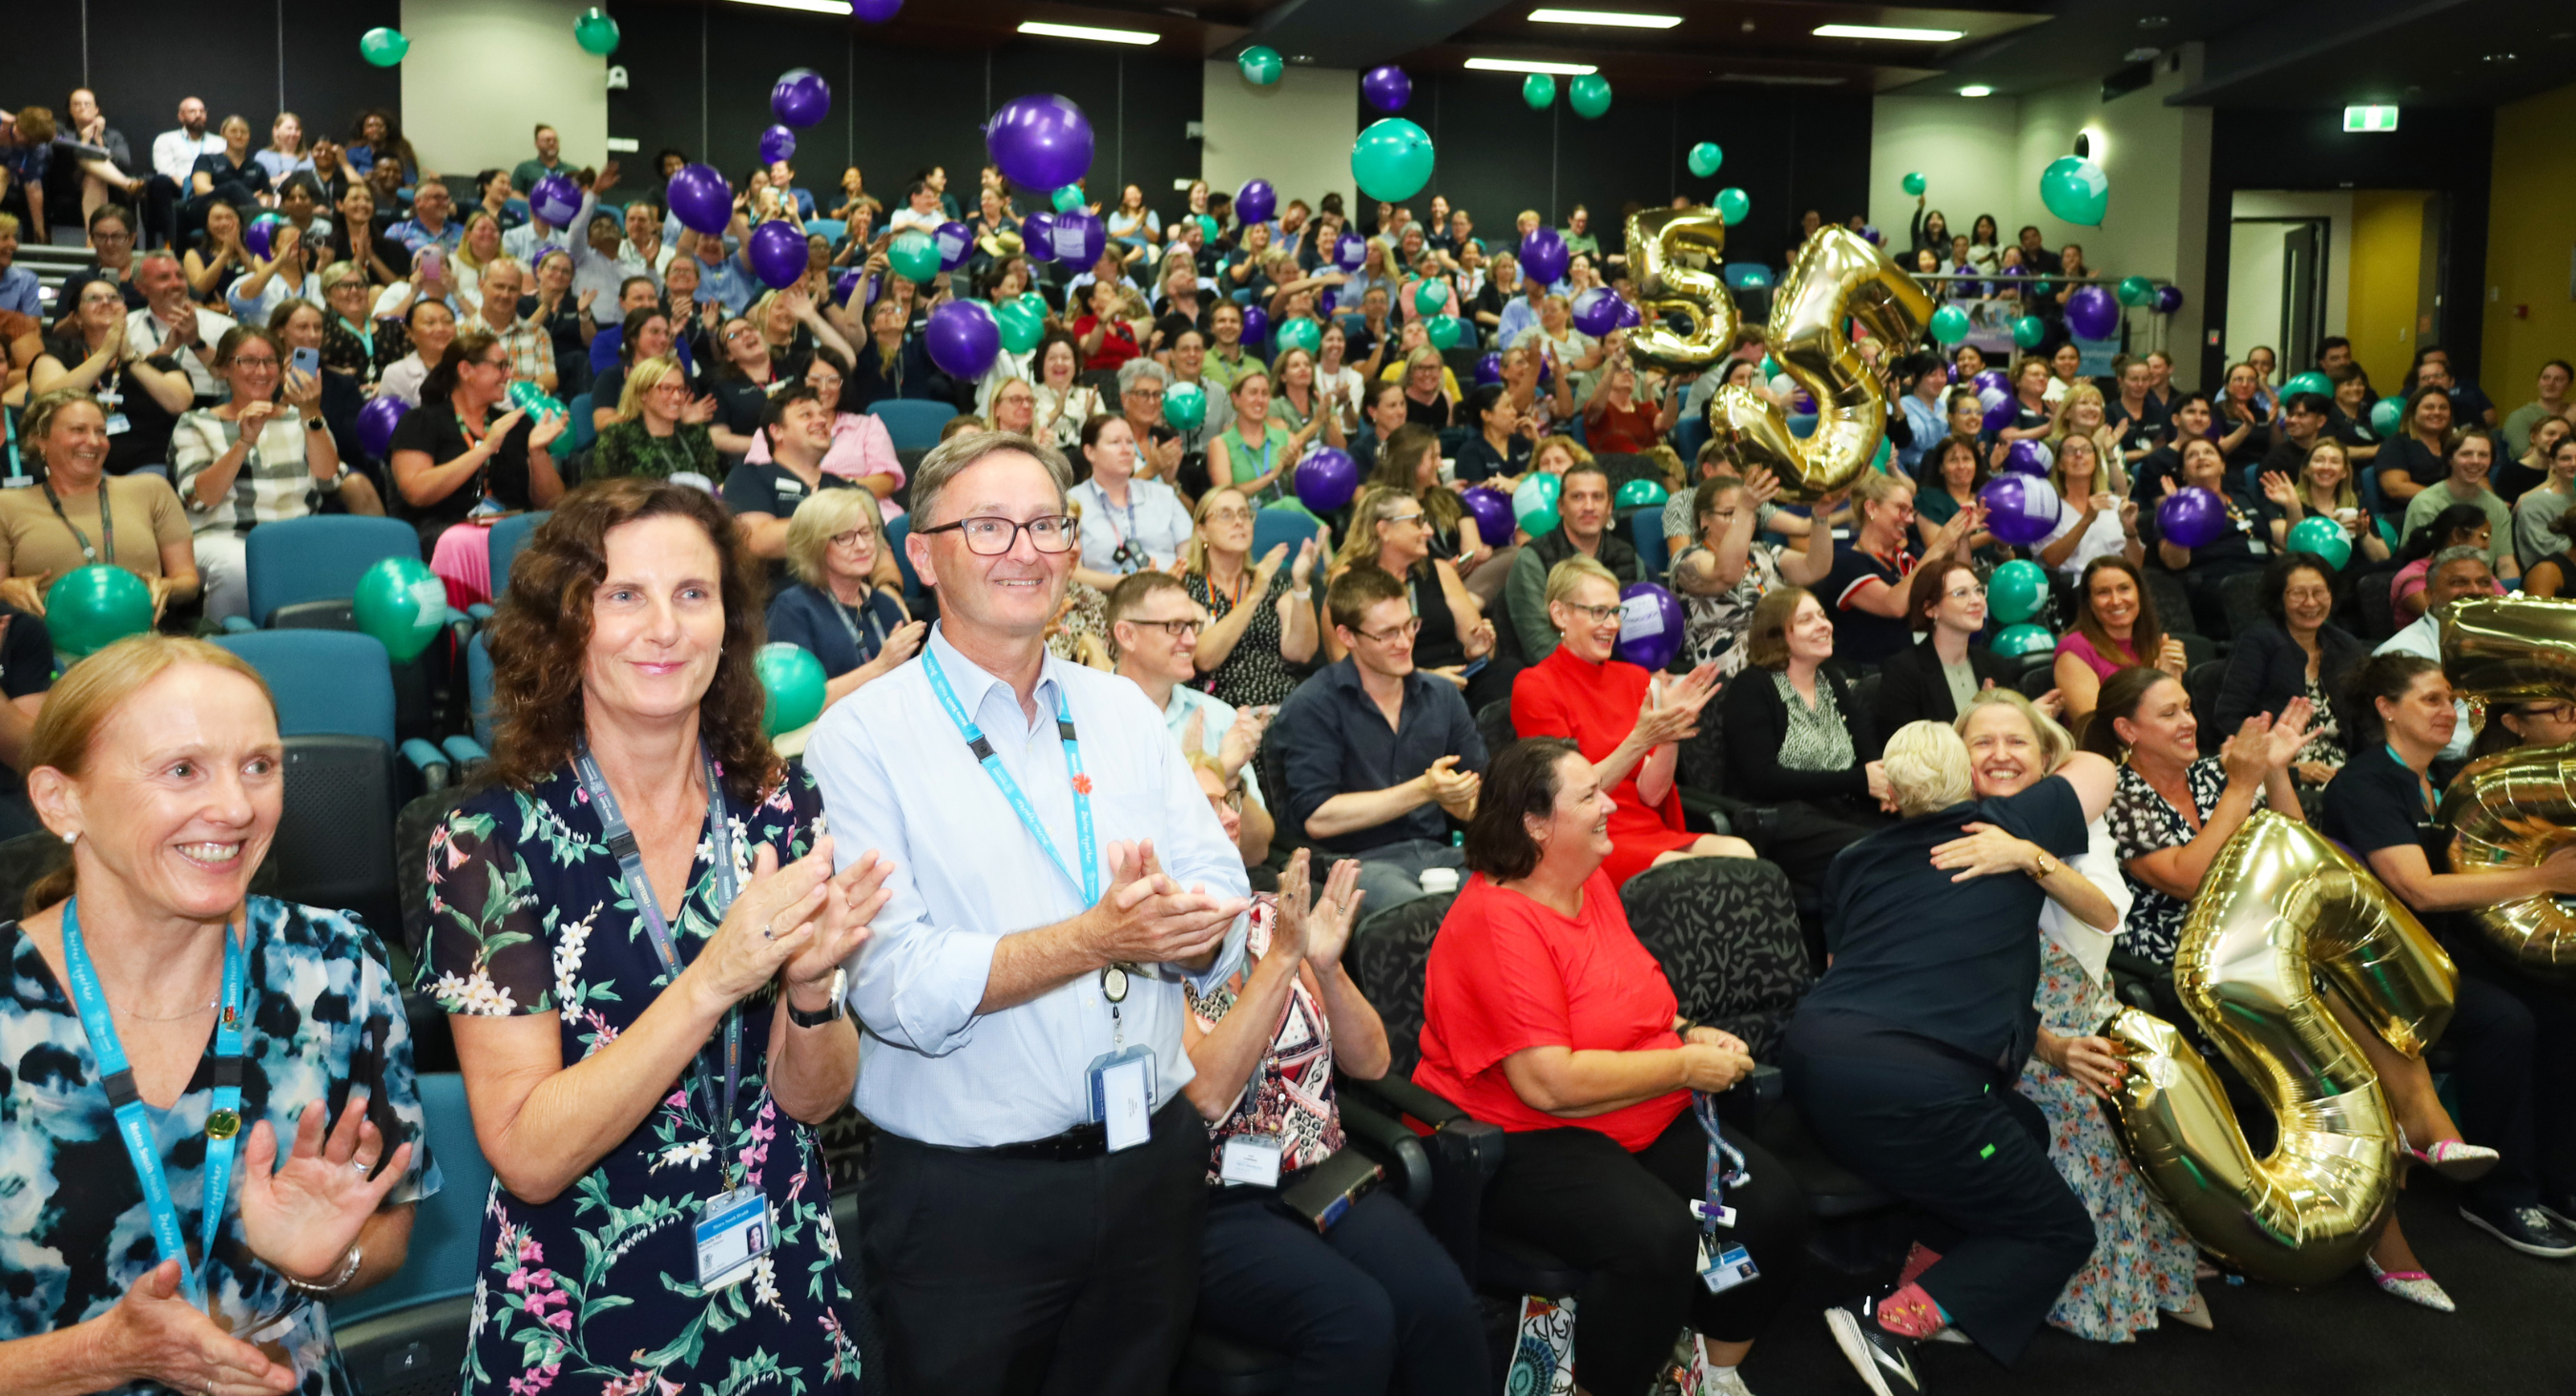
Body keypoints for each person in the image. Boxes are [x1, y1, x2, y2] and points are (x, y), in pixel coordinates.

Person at [802, 428, 1253, 1394]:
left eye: (1048, 523)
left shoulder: (1123, 708)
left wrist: (1192, 927)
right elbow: (897, 987)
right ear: (921, 552)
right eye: (992, 525)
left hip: (1151, 1162)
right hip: (971, 1200)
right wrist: (1097, 937)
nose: (1029, 549)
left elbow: (1223, 884)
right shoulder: (859, 739)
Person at [424, 479, 883, 1392]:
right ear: (566, 625)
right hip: (584, 1313)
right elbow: (529, 1152)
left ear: (729, 622)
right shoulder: (487, 841)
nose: (665, 628)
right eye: (624, 595)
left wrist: (809, 992)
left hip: (778, 1283)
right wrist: (716, 977)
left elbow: (814, 1100)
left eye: (693, 593)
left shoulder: (779, 807)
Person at [0, 635, 438, 1394]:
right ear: (60, 799)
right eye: (182, 770)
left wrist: (329, 1262)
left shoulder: (336, 966)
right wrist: (103, 1353)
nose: (237, 807)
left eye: (260, 766)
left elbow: (389, 1227)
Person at [1412, 738, 1807, 1396]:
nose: (1610, 804)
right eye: (1590, 795)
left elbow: (1629, 1000)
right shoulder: (1496, 920)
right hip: (1517, 1135)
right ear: (1536, 824)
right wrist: (1684, 1064)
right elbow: (1550, 1083)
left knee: (1770, 1206)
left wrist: (1688, 1032)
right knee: (1654, 1240)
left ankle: (1709, 1372)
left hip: (1629, 1110)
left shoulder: (1588, 880)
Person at [1781, 719, 2119, 1383]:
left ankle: (1928, 1283)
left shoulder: (1853, 859)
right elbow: (2100, 767)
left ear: (1890, 793)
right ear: (1964, 777)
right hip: (1915, 1085)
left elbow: (1842, 962)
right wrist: (2022, 848)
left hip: (1815, 1059)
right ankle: (1885, 1324)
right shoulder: (2006, 822)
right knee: (2059, 1229)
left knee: (2023, 1126)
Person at [1950, 690, 2208, 1341]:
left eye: (2017, 742)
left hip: (2090, 1007)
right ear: (1960, 755)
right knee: (2086, 1105)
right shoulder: (1949, 831)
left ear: (2045, 758)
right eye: (1984, 742)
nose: (2002, 755)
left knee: (2152, 1093)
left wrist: (2025, 855)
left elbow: (2105, 913)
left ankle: (2156, 1266)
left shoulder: (2079, 823)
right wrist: (2054, 1048)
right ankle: (2082, 1288)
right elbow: (1968, 989)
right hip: (2005, 1035)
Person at [2316, 653, 2576, 1266]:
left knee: (2563, 1003)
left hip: (2445, 949)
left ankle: (2559, 1178)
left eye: (2450, 700)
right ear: (2386, 709)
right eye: (2430, 699)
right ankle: (2498, 1194)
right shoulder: (2364, 783)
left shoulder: (2454, 778)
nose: (2448, 711)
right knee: (2504, 1021)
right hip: (2382, 964)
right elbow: (2418, 890)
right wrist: (2542, 876)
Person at [1513, 554, 1751, 885]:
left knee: (1743, 857)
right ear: (1560, 614)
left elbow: (1653, 795)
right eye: (1598, 612)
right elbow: (1567, 796)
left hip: (1647, 829)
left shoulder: (1634, 678)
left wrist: (1670, 731)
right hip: (1585, 838)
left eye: (1616, 612)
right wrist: (1640, 739)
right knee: (1688, 878)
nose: (1611, 624)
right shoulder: (1535, 685)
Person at [1274, 565, 1487, 912]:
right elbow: (1318, 816)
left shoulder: (1441, 696)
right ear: (1347, 636)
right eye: (1387, 633)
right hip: (1354, 862)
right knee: (1415, 914)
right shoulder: (1314, 704)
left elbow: (1483, 799)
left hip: (1439, 852)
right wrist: (1424, 790)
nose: (1404, 642)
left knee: (1508, 895)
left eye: (1409, 625)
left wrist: (1461, 804)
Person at [168, 326, 364, 620]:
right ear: (222, 369)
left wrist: (311, 412)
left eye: (270, 361)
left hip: (296, 534)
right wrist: (243, 442)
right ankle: (227, 644)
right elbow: (201, 498)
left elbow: (328, 479)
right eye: (248, 361)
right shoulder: (196, 422)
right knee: (237, 566)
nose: (261, 370)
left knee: (351, 556)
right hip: (225, 536)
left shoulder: (303, 417)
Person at [1107, 572, 1276, 867]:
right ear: (1127, 635)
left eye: (1193, 626)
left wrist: (1229, 777)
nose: (1191, 640)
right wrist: (1199, 774)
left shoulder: (1219, 717)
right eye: (1175, 627)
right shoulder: (1083, 717)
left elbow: (1257, 850)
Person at [1719, 585, 1893, 863]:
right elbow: (1762, 780)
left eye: (1823, 616)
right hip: (1782, 817)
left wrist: (1884, 787)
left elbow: (1866, 749)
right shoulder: (1752, 686)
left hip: (1842, 809)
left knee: (1918, 835)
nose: (1823, 625)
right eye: (1806, 620)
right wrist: (1860, 780)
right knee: (1878, 851)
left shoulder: (1832, 679)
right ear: (1775, 635)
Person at [385, 331, 569, 588]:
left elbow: (552, 504)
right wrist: (485, 448)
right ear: (466, 370)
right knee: (465, 539)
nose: (508, 375)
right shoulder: (421, 422)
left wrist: (538, 453)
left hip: (511, 531)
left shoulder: (516, 423)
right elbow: (416, 491)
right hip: (447, 535)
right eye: (500, 366)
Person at [0, 391, 198, 618]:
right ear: (40, 440)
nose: (94, 442)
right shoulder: (7, 505)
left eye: (101, 432)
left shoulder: (151, 489)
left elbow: (188, 582)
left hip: (141, 642)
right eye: (78, 430)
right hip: (47, 644)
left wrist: (168, 587)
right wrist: (6, 590)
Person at [2212, 552, 2363, 808]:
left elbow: (2364, 721)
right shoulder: (2259, 642)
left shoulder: (2345, 646)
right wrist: (2288, 769)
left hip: (2343, 769)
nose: (2311, 602)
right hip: (2278, 767)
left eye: (2319, 592)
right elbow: (2229, 716)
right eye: (2298, 593)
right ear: (2279, 599)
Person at [764, 486, 926, 712]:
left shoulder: (886, 606)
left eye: (866, 532)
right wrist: (880, 667)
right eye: (845, 537)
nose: (862, 546)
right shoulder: (793, 610)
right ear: (816, 545)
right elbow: (795, 705)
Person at [1671, 469, 1833, 677]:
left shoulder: (1762, 551)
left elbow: (1815, 568)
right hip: (1729, 667)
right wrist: (1745, 507)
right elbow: (1726, 573)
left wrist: (1820, 516)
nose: (1747, 519)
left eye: (1750, 513)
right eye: (1731, 513)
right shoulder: (1688, 559)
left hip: (1784, 654)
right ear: (1704, 520)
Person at [29, 275, 194, 476]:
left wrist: (130, 359)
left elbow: (180, 402)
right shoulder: (58, 357)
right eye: (93, 299)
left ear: (125, 311)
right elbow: (48, 400)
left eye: (113, 298)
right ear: (77, 318)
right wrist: (105, 354)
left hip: (148, 468)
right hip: (76, 463)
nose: (105, 302)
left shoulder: (157, 364)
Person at [1181, 487, 1319, 708]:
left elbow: (1301, 653)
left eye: (1244, 514)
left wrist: (1301, 586)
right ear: (1202, 531)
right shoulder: (1187, 587)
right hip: (1220, 711)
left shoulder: (1274, 581)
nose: (1239, 522)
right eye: (1226, 515)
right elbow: (1205, 658)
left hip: (1282, 706)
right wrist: (1255, 595)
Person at [1820, 469, 1971, 669]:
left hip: (1909, 670)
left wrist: (1963, 538)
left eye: (1911, 512)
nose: (1909, 520)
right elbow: (1894, 605)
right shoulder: (1845, 562)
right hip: (1867, 678)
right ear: (1872, 508)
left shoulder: (1906, 559)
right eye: (1902, 509)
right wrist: (1939, 546)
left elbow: (1964, 583)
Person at [1506, 463, 1640, 662]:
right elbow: (1541, 646)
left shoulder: (1628, 556)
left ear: (1610, 506)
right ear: (1561, 506)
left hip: (1623, 670)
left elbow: (1639, 632)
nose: (1589, 507)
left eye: (1597, 497)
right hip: (1559, 678)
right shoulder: (1533, 560)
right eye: (1578, 497)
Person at [2376, 546, 2495, 763]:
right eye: (2459, 582)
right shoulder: (2405, 653)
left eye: (2484, 582)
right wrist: (2494, 752)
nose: (2476, 591)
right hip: (2444, 767)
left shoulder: (2502, 640)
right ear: (2429, 595)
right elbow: (2408, 733)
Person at [1874, 561, 2022, 733]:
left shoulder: (1993, 663)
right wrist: (1976, 713)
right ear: (1930, 609)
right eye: (1961, 593)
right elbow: (1906, 750)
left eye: (1978, 590)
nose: (1977, 601)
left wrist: (2029, 716)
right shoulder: (1904, 671)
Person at [2143, 436, 2268, 634]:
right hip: (2215, 583)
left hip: (2264, 574)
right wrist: (2180, 515)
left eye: (2208, 452)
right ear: (2183, 473)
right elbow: (2174, 562)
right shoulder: (2174, 507)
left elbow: (2281, 541)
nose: (2201, 457)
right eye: (2192, 455)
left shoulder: (2244, 497)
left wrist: (2293, 507)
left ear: (2223, 466)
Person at [2051, 557, 2186, 725]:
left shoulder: (2158, 644)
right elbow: (2094, 727)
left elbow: (2175, 720)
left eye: (2124, 589)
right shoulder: (2074, 649)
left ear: (2139, 594)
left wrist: (2172, 681)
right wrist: (2158, 684)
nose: (2115, 601)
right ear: (2089, 603)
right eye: (2103, 592)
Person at [1070, 412, 1193, 586]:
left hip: (1167, 592)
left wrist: (1171, 579)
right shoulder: (1073, 502)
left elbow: (1191, 554)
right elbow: (1071, 570)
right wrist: (1128, 583)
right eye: (1115, 442)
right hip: (1104, 601)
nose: (1126, 450)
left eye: (1130, 442)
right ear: (1090, 453)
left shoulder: (1163, 495)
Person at [2399, 431, 2516, 582]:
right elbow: (2421, 566)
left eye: (2483, 455)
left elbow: (2505, 563)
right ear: (2450, 459)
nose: (2475, 461)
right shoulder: (2425, 503)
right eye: (2466, 454)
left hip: (2485, 586)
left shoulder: (2498, 506)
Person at [590, 353, 720, 484]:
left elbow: (715, 486)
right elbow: (601, 492)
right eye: (666, 388)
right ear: (643, 393)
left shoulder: (696, 433)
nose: (677, 397)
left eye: (681, 389)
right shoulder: (617, 436)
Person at [2259, 437, 2391, 566]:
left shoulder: (2356, 504)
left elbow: (2383, 558)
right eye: (2319, 460)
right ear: (2306, 469)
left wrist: (2363, 535)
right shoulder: (2285, 500)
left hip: (2356, 577)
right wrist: (2294, 507)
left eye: (2334, 461)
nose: (2326, 467)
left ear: (2344, 472)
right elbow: (2292, 548)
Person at [2389, 506, 2509, 625]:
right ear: (2457, 535)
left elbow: (2508, 609)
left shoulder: (2478, 571)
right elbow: (2445, 620)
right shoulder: (2413, 577)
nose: (2487, 546)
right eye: (2484, 537)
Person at [2376, 387, 2457, 514]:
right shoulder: (2396, 443)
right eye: (2429, 407)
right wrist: (2444, 501)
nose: (2437, 412)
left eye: (2443, 408)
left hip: (2454, 512)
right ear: (2413, 413)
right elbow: (2395, 488)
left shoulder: (2456, 444)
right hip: (2411, 514)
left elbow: (2479, 482)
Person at [375, 297, 455, 408]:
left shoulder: (472, 365)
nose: (441, 328)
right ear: (409, 332)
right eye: (430, 323)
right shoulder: (396, 374)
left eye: (448, 321)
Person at [2502, 360, 2576, 460]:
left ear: (2569, 385)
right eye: (2546, 378)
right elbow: (2526, 456)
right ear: (2538, 382)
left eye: (2558, 379)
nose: (2550, 383)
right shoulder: (2520, 417)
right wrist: (2567, 421)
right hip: (2530, 473)